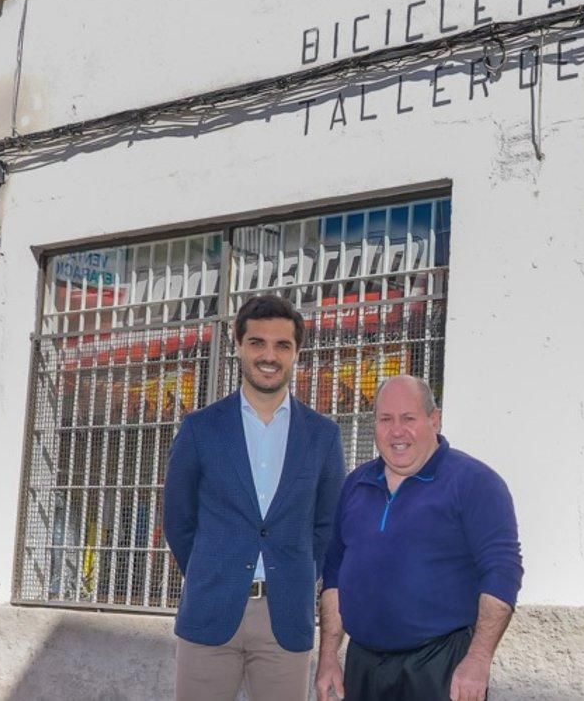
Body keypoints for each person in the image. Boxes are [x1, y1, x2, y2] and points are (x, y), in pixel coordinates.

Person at [164, 294, 345, 701]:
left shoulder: (322, 436)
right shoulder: (200, 430)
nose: (270, 355)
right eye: (258, 343)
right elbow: (179, 519)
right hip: (211, 607)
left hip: (285, 617)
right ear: (238, 345)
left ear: (297, 352)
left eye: (282, 345)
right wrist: (212, 568)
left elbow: (328, 525)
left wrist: (298, 571)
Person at [315, 375, 523, 701]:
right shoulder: (356, 483)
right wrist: (328, 657)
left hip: (441, 666)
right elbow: (335, 574)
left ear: (434, 419)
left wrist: (479, 660)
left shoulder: (475, 482)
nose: (397, 431)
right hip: (364, 666)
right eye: (386, 419)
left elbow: (502, 574)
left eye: (408, 418)